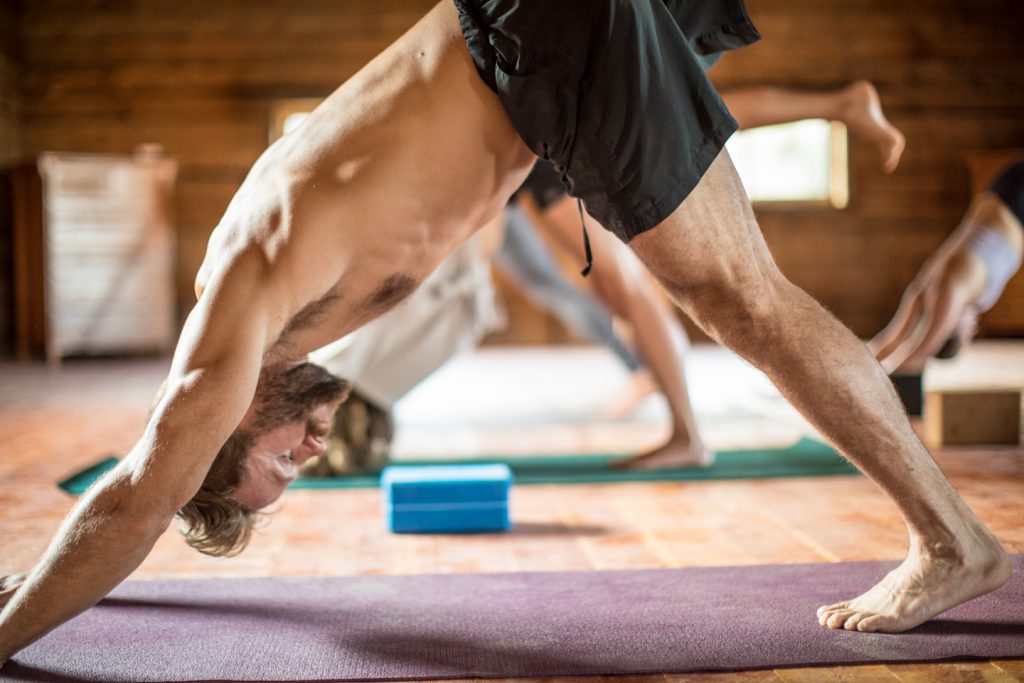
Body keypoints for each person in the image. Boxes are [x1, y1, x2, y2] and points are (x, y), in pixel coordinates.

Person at [0, 0, 1010, 665]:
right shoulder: (278, 311)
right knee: (740, 292)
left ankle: (947, 538)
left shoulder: (232, 318)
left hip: (539, 45)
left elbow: (133, 500)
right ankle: (947, 534)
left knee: (741, 301)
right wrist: (45, 581)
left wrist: (9, 629)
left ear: (219, 428)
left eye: (276, 463)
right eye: (302, 469)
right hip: (541, 68)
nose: (311, 453)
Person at [869, 160, 1024, 373]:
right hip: (1001, 194)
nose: (974, 331)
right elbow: (886, 341)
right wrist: (871, 360)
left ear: (948, 327)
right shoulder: (924, 289)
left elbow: (916, 354)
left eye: (966, 336)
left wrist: (869, 373)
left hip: (1014, 202)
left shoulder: (950, 292)